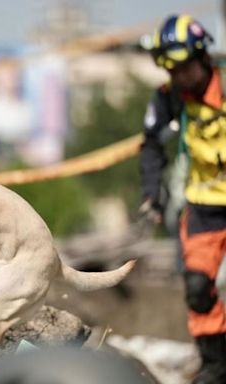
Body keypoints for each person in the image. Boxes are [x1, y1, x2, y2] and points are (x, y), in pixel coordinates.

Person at [140, 14, 226, 384]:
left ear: (202, 57)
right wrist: (152, 195)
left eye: (181, 67)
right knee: (197, 288)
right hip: (204, 206)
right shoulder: (169, 97)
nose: (176, 76)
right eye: (168, 69)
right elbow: (152, 147)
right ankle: (215, 366)